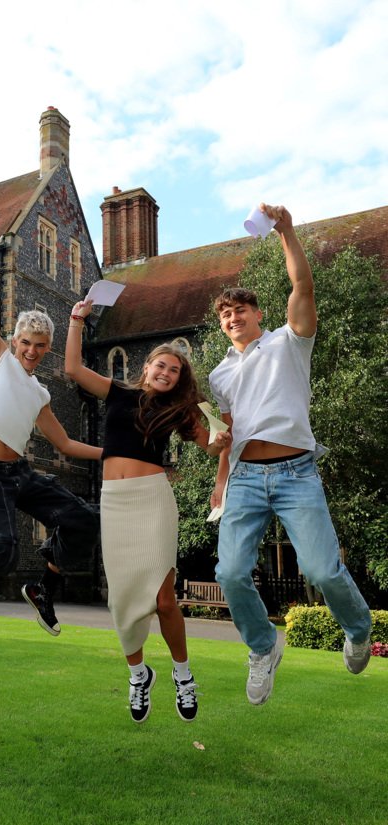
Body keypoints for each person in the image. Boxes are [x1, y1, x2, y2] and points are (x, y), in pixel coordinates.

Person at [209, 203, 373, 706]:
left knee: (323, 571)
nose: (233, 317)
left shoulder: (287, 343)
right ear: (221, 325)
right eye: (225, 314)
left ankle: (358, 628)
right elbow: (229, 432)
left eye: (241, 310)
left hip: (297, 472)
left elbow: (302, 288)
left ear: (259, 314)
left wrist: (287, 233)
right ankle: (263, 649)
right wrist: (220, 480)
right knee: (230, 573)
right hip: (244, 479)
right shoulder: (218, 376)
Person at [66, 300, 231, 723]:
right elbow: (73, 370)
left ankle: (183, 674)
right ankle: (139, 675)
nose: (166, 373)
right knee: (121, 602)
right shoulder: (118, 391)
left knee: (163, 599)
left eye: (174, 370)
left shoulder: (178, 411)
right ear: (146, 367)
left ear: (179, 379)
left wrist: (220, 427)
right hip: (115, 502)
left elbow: (213, 446)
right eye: (161, 365)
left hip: (153, 499)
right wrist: (76, 320)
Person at [0, 215, 101, 638]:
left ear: (48, 349)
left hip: (19, 475)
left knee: (83, 519)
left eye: (40, 346)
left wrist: (112, 452)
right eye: (26, 343)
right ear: (15, 342)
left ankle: (43, 588)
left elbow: (65, 442)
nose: (32, 351)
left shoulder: (40, 394)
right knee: (2, 548)